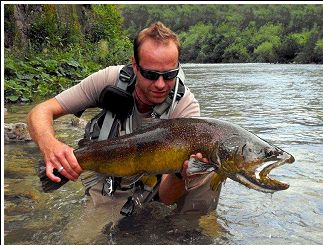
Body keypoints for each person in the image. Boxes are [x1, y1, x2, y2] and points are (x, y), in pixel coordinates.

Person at [27, 21, 222, 216]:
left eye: (170, 74)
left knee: (212, 169)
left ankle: (187, 229)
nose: (161, 84)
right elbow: (41, 111)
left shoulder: (185, 107)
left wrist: (182, 174)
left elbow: (166, 197)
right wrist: (50, 146)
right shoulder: (110, 79)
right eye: (150, 74)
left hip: (157, 184)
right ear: (135, 66)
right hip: (109, 175)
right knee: (86, 243)